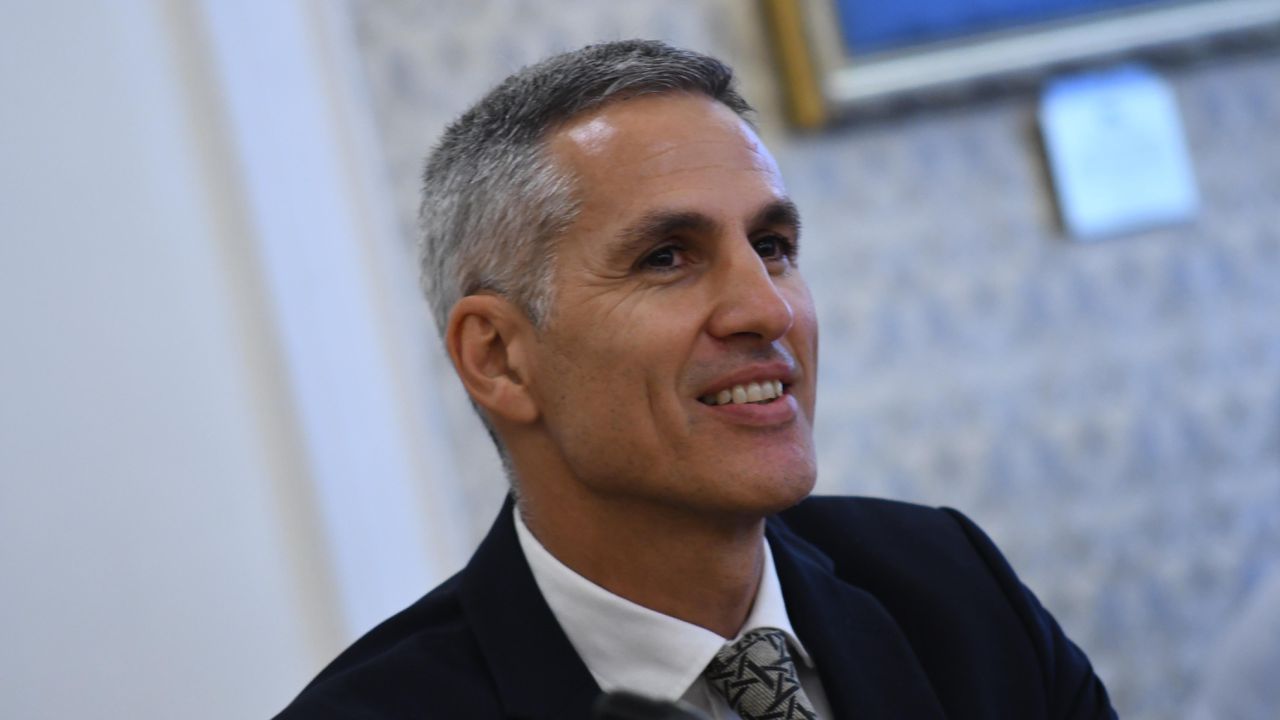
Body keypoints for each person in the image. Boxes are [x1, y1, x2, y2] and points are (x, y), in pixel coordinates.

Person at [275, 40, 1116, 719]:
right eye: (666, 258)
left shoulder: (952, 587)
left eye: (773, 247)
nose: (766, 309)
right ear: (498, 357)